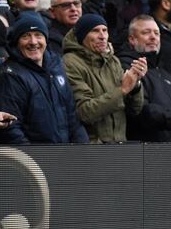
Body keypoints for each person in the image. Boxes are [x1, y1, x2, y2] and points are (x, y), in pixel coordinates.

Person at [0, 11, 89, 144]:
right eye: (26, 36)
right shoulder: (9, 76)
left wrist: (83, 151)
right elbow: (11, 131)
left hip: (64, 157)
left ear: (46, 40)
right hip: (34, 160)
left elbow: (72, 117)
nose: (33, 42)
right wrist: (33, 161)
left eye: (38, 35)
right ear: (16, 42)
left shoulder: (56, 67)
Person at [62, 13, 146, 143]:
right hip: (91, 150)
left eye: (105, 30)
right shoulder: (70, 62)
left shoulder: (113, 61)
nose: (102, 36)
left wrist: (135, 86)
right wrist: (122, 90)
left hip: (119, 144)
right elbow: (85, 112)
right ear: (82, 36)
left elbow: (134, 110)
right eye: (95, 31)